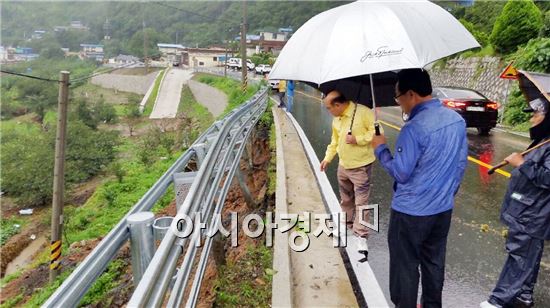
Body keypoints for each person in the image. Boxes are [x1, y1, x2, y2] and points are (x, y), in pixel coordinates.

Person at [371, 69, 468, 308]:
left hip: (410, 213)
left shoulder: (413, 129)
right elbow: (460, 164)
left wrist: (381, 148)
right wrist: (446, 194)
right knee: (434, 263)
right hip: (442, 210)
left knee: (405, 268)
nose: (399, 103)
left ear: (411, 94)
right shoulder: (456, 120)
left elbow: (401, 173)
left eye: (398, 97)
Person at [481, 97, 550, 308]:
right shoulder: (544, 139)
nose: (531, 119)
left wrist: (522, 164)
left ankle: (498, 300)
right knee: (529, 253)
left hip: (534, 214)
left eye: (536, 114)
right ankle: (523, 293)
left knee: (520, 255)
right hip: (528, 209)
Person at [320, 90, 378, 244]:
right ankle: (347, 224)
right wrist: (327, 158)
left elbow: (377, 132)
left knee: (361, 202)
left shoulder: (364, 112)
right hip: (343, 165)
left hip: (361, 166)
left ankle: (361, 234)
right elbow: (335, 141)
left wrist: (357, 139)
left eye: (329, 108)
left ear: (337, 105)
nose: (328, 111)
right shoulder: (337, 119)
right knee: (346, 199)